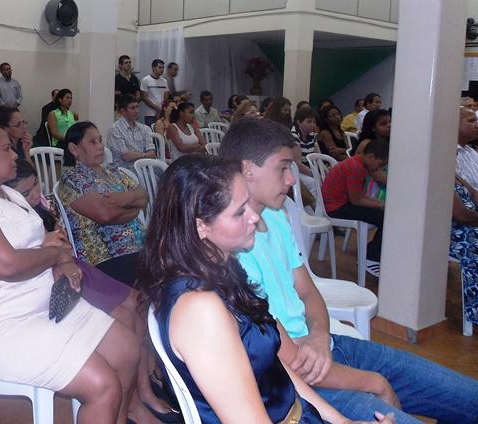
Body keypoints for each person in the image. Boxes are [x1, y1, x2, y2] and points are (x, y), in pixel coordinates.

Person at [220, 117, 478, 424]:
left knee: (467, 396)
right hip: (301, 383)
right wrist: (374, 382)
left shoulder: (275, 217)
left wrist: (319, 335)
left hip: (328, 347)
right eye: (283, 168)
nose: (291, 179)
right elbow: (289, 360)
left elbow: (308, 291)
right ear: (248, 170)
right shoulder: (229, 250)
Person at [138, 155, 377, 424]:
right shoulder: (200, 309)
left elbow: (273, 364)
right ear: (201, 226)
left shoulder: (225, 270)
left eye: (248, 203)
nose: (254, 217)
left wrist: (341, 420)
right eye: (240, 211)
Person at [0, 121, 141, 423]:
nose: (15, 155)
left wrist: (63, 261)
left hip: (46, 307)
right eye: (6, 148)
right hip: (1, 326)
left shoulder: (7, 194)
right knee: (103, 385)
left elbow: (44, 240)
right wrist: (55, 255)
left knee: (128, 351)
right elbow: (6, 265)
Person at [8, 160, 178, 423]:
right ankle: (133, 404)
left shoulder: (41, 205)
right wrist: (47, 246)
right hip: (55, 274)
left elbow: (63, 243)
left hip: (72, 265)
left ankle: (144, 389)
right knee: (124, 317)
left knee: (139, 303)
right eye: (26, 192)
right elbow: (102, 216)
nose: (34, 195)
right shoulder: (15, 215)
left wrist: (59, 249)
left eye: (36, 186)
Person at [58, 122, 146, 286]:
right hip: (107, 256)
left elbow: (143, 196)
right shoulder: (73, 178)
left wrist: (123, 198)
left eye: (100, 140)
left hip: (139, 246)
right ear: (74, 149)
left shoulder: (112, 171)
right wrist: (134, 208)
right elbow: (105, 215)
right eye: (92, 142)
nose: (100, 147)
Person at [321, 140, 388, 272]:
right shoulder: (356, 168)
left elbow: (360, 195)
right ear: (371, 157)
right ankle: (371, 257)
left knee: (382, 215)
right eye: (380, 164)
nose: (379, 169)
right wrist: (379, 205)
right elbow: (356, 200)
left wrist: (379, 204)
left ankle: (371, 252)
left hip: (340, 203)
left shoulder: (358, 163)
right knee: (383, 219)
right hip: (335, 207)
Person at [451, 175, 478, 329]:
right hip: (456, 232)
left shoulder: (455, 175)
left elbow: (474, 193)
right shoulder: (439, 178)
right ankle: (474, 313)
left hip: (471, 226)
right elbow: (461, 215)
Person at [106, 94, 156, 168]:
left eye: (137, 107)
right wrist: (144, 155)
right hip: (125, 169)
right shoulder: (115, 130)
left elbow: (152, 154)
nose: (137, 111)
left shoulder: (145, 128)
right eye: (132, 108)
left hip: (145, 167)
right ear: (123, 111)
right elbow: (126, 156)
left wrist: (136, 155)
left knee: (166, 171)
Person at [140, 60, 169, 127]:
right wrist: (157, 108)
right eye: (160, 67)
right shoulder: (145, 80)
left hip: (162, 113)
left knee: (161, 132)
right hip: (150, 113)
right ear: (153, 68)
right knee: (151, 132)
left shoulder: (164, 81)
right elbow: (144, 97)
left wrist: (161, 109)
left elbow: (166, 96)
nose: (162, 69)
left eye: (163, 67)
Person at [456, 106, 478, 189]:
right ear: (455, 124)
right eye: (471, 121)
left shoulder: (470, 151)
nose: (477, 125)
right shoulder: (449, 154)